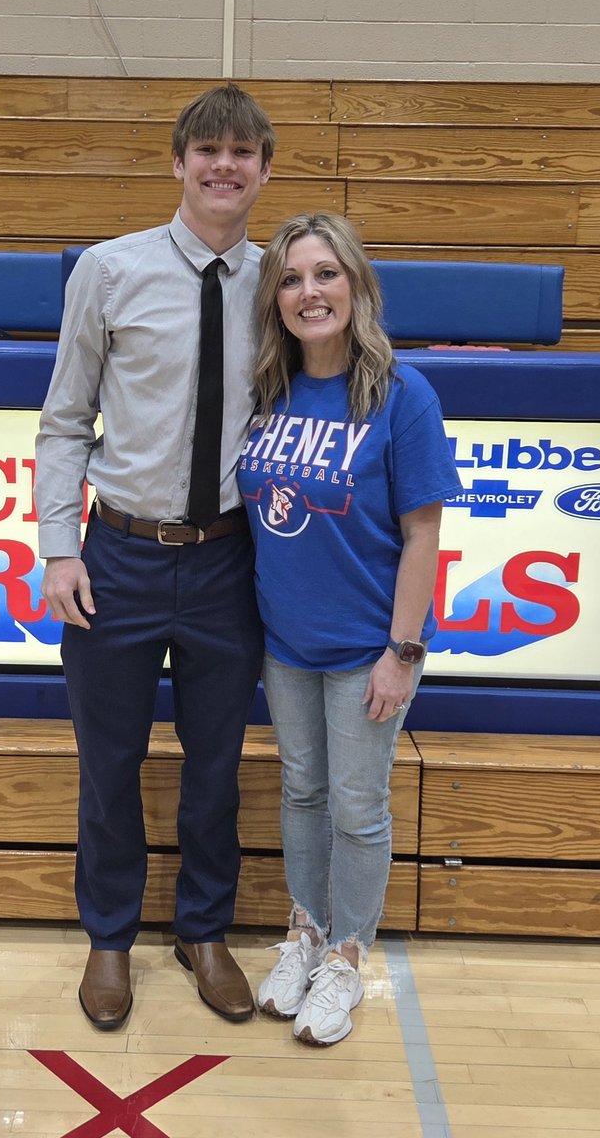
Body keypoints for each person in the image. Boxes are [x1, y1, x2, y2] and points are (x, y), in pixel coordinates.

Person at [35, 84, 275, 1030]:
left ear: (263, 170)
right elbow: (64, 419)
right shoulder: (108, 269)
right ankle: (108, 937)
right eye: (207, 150)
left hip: (229, 562)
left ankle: (203, 930)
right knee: (111, 760)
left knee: (218, 763)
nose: (224, 166)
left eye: (243, 153)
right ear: (177, 164)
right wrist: (60, 547)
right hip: (121, 557)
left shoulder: (284, 282)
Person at [237, 212, 461, 1046]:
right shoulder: (267, 385)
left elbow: (423, 533)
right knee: (301, 790)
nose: (309, 292)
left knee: (358, 808)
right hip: (285, 642)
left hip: (372, 647)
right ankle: (303, 931)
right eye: (292, 279)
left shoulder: (401, 393)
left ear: (357, 284)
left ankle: (347, 958)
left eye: (326, 274)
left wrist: (403, 653)